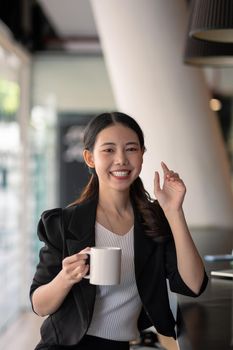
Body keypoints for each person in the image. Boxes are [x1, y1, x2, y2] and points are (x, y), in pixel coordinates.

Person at [30, 111, 208, 350]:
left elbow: (194, 285)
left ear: (142, 155)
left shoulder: (153, 220)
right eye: (109, 150)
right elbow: (40, 305)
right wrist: (66, 278)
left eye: (131, 149)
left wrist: (174, 211)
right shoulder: (62, 223)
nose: (121, 159)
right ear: (89, 158)